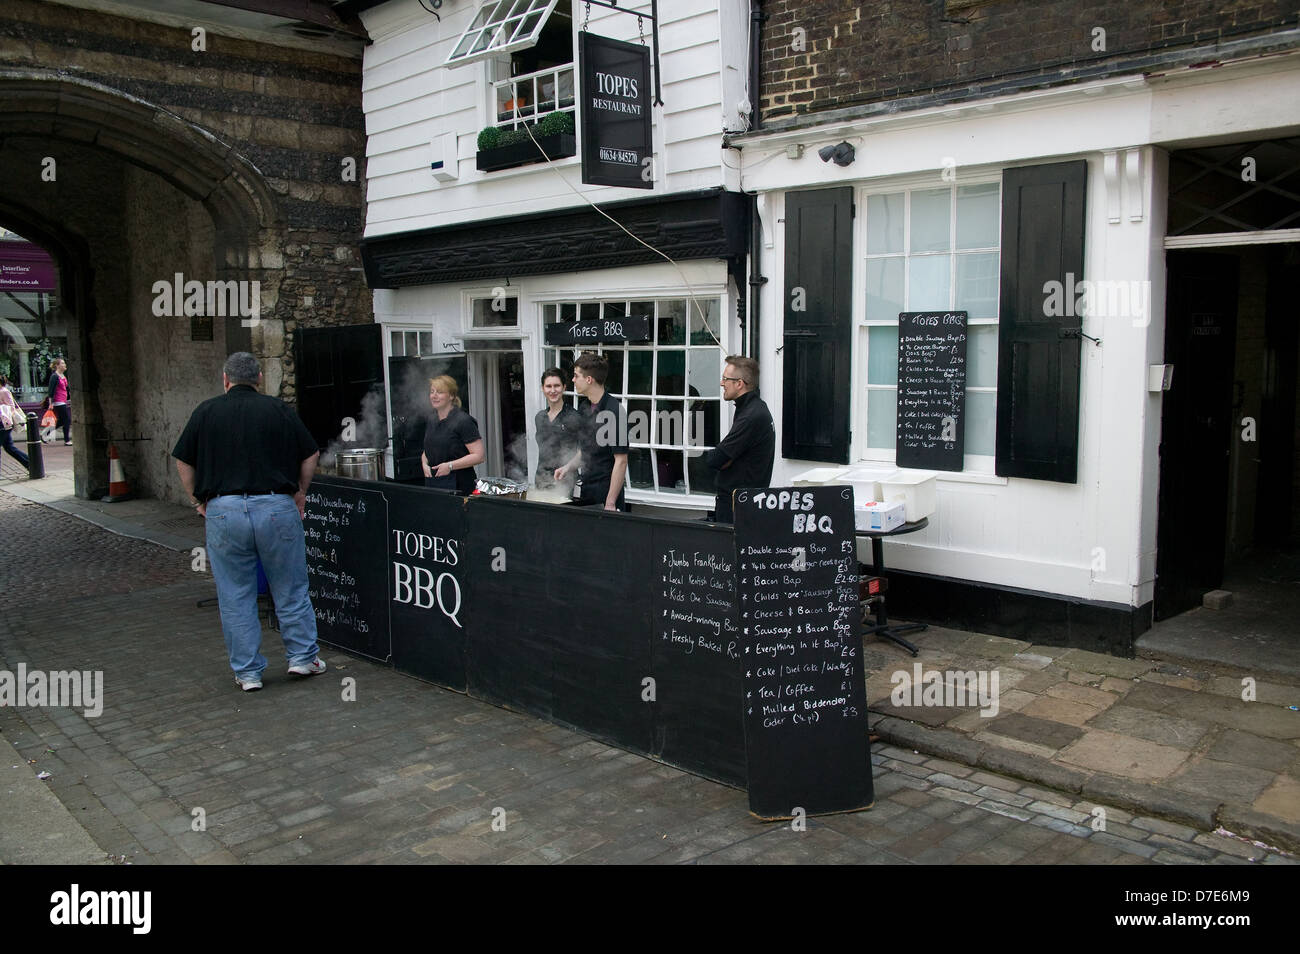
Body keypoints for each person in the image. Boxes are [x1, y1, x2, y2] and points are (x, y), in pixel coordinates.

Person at [172, 352, 325, 692]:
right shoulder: (278, 410)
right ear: (259, 377)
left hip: (224, 509)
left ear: (225, 380)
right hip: (276, 505)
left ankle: (248, 673)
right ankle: (302, 658)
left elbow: (183, 459)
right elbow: (310, 452)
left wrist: (198, 500)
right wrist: (300, 492)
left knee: (235, 593)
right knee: (290, 586)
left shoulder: (206, 411)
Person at [704, 355, 775, 524]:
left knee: (730, 550)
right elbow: (727, 457)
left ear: (739, 383)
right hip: (743, 501)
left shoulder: (751, 416)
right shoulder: (752, 408)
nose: (722, 383)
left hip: (739, 507)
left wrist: (725, 459)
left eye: (725, 379)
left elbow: (716, 459)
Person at [555, 352, 628, 511]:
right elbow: (586, 450)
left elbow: (621, 461)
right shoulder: (584, 407)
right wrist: (567, 467)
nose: (573, 380)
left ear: (589, 379)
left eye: (576, 376)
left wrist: (610, 502)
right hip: (587, 489)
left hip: (606, 494)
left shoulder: (614, 411)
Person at [422, 374, 485, 493]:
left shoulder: (464, 421)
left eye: (439, 392)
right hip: (433, 483)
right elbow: (428, 450)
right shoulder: (431, 419)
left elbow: (479, 456)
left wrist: (450, 466)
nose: (434, 396)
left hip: (459, 484)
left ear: (451, 396)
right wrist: (424, 463)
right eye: (432, 392)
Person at [533, 367, 580, 490]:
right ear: (543, 389)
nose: (553, 390)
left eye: (557, 386)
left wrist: (568, 467)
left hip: (565, 481)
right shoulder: (540, 417)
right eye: (548, 386)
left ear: (564, 387)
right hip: (541, 479)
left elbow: (585, 451)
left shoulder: (573, 417)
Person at [0, 375, 30, 469]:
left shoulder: (4, 391)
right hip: (3, 423)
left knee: (9, 448)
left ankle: (31, 463)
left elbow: (11, 407)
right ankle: (30, 463)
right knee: (9, 448)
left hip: (4, 423)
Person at [44, 357, 71, 445]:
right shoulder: (54, 376)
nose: (64, 365)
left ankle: (45, 433)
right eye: (62, 363)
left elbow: (66, 389)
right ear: (57, 366)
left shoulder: (63, 376)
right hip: (58, 401)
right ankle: (67, 440)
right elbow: (51, 390)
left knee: (61, 421)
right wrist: (50, 403)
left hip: (63, 401)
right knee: (67, 420)